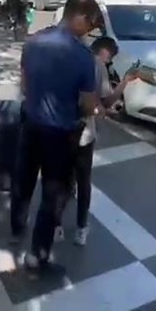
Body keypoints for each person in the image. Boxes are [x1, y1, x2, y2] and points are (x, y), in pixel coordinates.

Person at [10, 0, 103, 271]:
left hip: (30, 123)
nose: (89, 30)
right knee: (52, 195)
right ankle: (37, 254)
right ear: (78, 17)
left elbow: (25, 87)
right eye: (90, 23)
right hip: (61, 134)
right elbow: (88, 106)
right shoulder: (84, 58)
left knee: (23, 179)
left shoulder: (33, 41)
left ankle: (16, 229)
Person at [55, 36, 139, 246]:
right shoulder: (96, 64)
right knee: (83, 181)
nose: (109, 62)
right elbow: (106, 100)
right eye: (110, 58)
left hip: (59, 129)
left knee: (60, 179)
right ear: (104, 52)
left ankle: (55, 226)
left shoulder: (66, 58)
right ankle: (81, 228)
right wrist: (125, 81)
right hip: (83, 133)